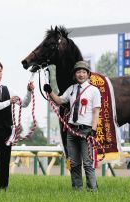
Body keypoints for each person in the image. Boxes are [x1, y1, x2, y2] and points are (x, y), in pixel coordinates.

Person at [44, 61, 101, 191]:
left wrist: (93, 130)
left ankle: (92, 190)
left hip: (86, 130)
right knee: (74, 163)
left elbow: (96, 111)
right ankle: (77, 190)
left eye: (83, 72)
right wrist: (50, 91)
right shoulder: (71, 89)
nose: (81, 74)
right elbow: (59, 101)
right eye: (78, 72)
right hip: (72, 130)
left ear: (88, 74)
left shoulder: (94, 91)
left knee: (87, 163)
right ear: (75, 74)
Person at [0, 59, 34, 191]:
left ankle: (3, 188)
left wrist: (29, 92)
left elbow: (24, 103)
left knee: (4, 162)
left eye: (0, 70)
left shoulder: (8, 89)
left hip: (6, 131)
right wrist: (9, 101)